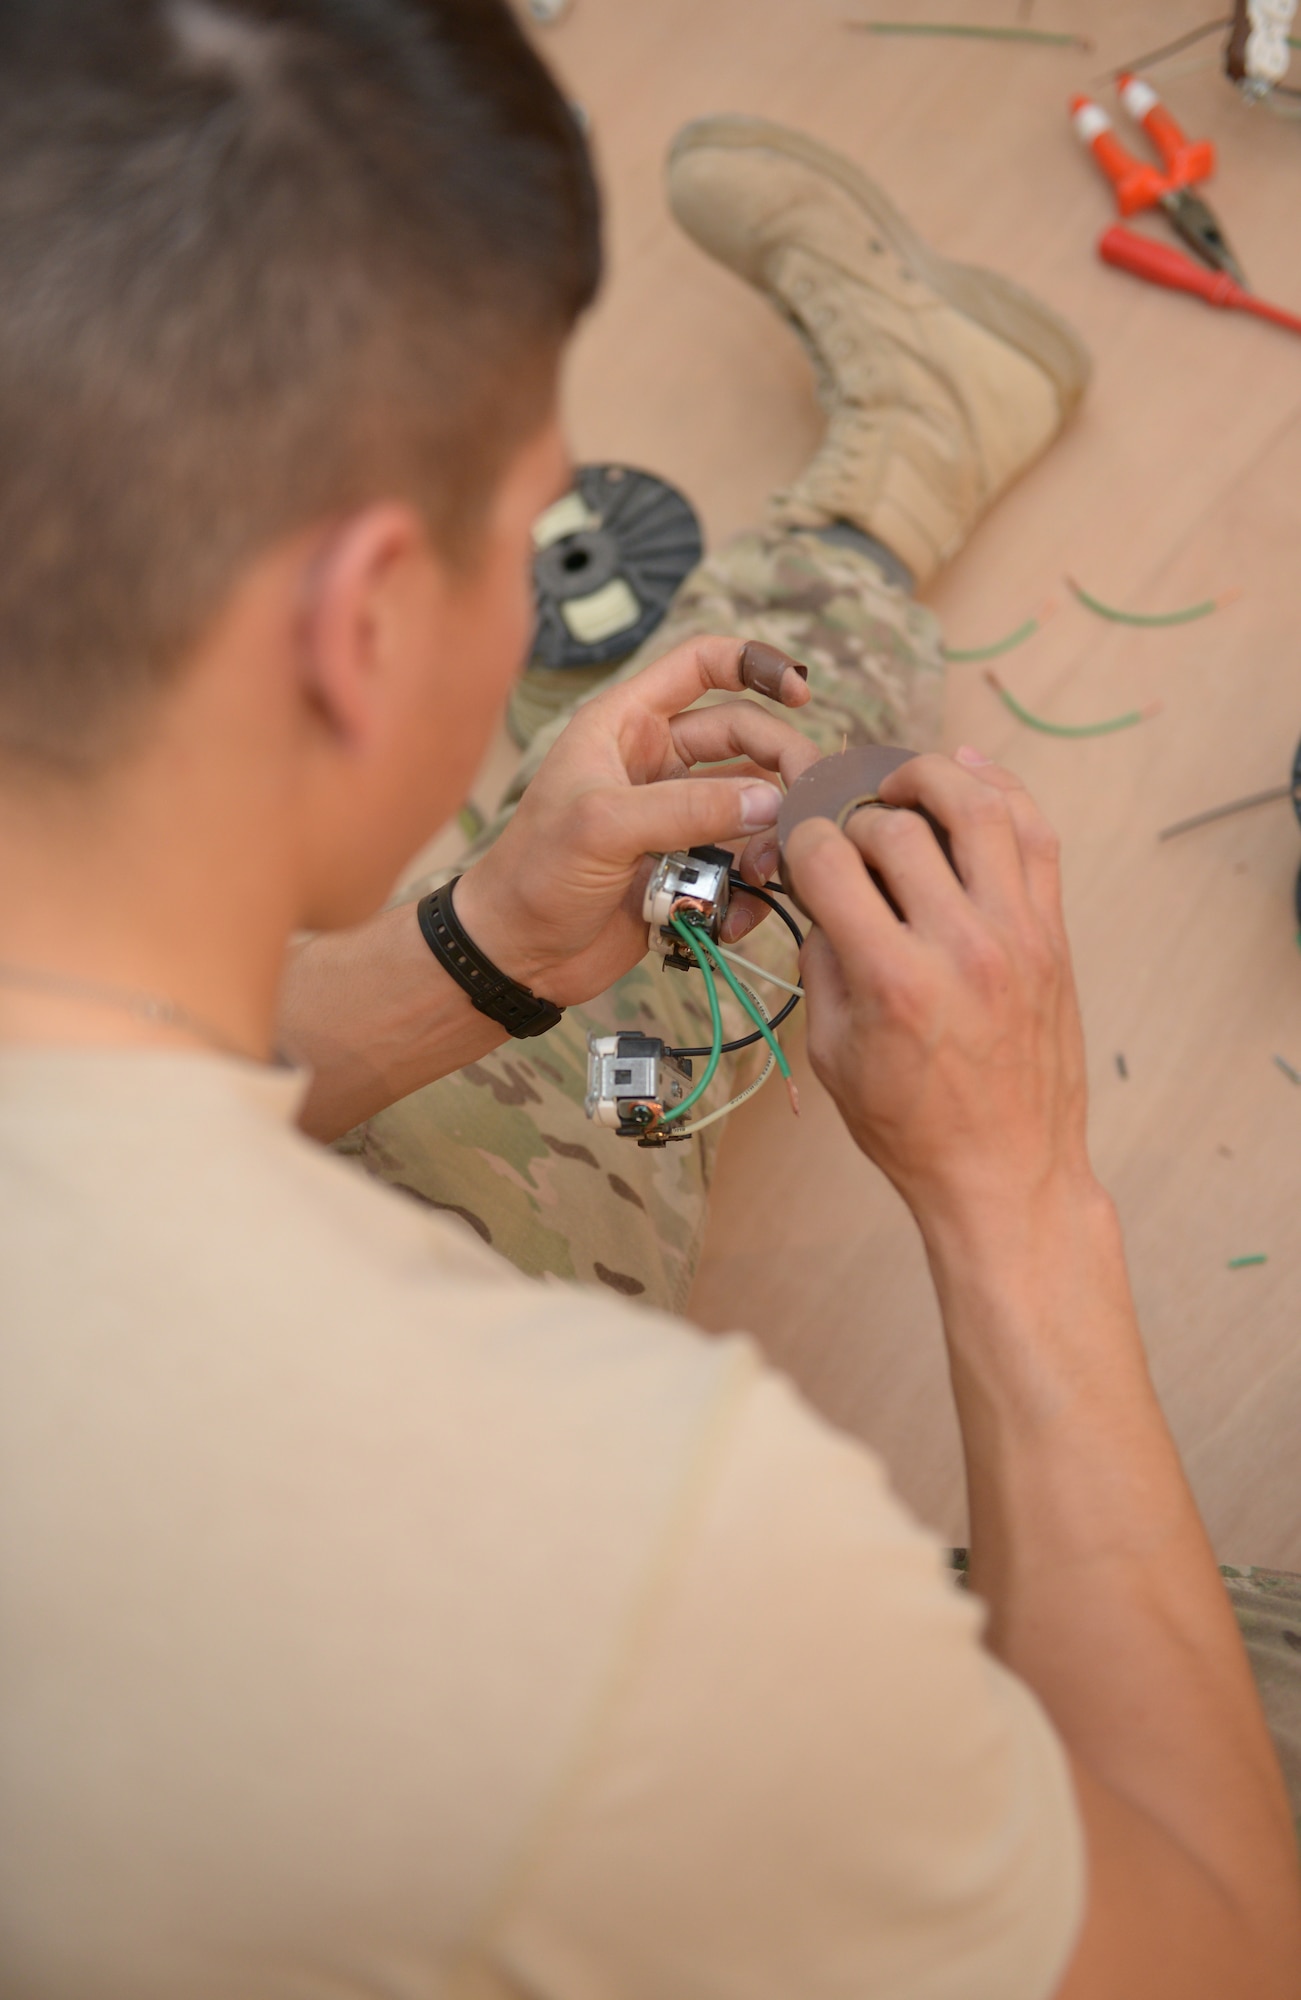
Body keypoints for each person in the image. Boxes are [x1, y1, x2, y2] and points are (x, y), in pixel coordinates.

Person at [0, 9, 1297, 2000]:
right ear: (360, 629)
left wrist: (486, 947)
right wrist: (1019, 1204)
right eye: (523, 525)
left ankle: (912, 447)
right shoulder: (622, 1550)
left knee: (594, 1002)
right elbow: (1209, 1954)